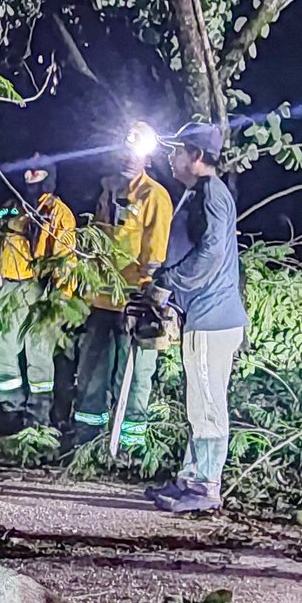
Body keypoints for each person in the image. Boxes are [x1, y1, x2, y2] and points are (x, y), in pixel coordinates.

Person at [148, 123, 249, 514]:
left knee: (207, 404)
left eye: (179, 152)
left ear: (197, 157)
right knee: (198, 401)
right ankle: (190, 478)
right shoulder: (200, 193)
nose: (172, 158)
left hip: (213, 318)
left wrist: (169, 283)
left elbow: (209, 256)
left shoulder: (212, 195)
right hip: (203, 316)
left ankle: (206, 485)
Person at [71, 127, 175, 450]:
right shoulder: (106, 190)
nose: (130, 158)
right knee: (91, 375)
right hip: (101, 300)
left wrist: (150, 303)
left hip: (137, 304)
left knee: (136, 378)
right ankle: (87, 444)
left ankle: (129, 449)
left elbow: (156, 257)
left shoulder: (154, 197)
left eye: (138, 153)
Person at [0, 155, 78, 427]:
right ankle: (11, 411)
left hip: (40, 288)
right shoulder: (10, 208)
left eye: (37, 173)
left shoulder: (57, 213)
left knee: (39, 351)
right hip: (9, 287)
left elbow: (66, 258)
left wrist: (61, 298)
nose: (30, 177)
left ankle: (38, 420)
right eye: (27, 172)